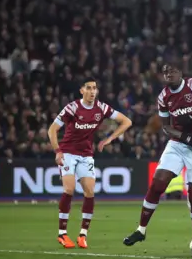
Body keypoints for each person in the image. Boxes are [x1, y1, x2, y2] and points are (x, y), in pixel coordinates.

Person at [123, 62, 192, 259]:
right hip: (177, 144)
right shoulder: (163, 97)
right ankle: (141, 230)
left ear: (180, 72)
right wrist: (184, 137)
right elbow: (166, 127)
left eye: (172, 71)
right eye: (165, 72)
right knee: (157, 184)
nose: (169, 74)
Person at [48, 77, 132, 249]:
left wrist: (109, 139)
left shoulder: (101, 107)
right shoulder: (72, 108)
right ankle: (62, 234)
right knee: (69, 189)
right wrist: (58, 151)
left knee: (90, 192)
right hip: (68, 153)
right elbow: (52, 129)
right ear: (82, 90)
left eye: (95, 88)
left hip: (86, 155)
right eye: (89, 88)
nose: (93, 91)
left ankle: (82, 235)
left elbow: (127, 121)